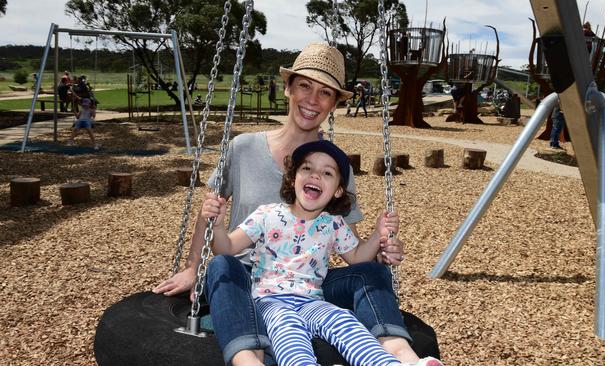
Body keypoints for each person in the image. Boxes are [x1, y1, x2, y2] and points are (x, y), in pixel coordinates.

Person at [153, 43, 423, 366]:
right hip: (244, 280)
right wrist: (193, 266)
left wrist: (382, 246)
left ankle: (398, 353)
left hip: (308, 283)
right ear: (288, 88)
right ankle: (247, 357)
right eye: (304, 86)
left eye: (325, 93)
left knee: (371, 273)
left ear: (334, 103)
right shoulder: (243, 148)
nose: (312, 100)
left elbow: (349, 245)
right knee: (221, 267)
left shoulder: (336, 169)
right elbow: (210, 212)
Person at [205, 140, 441, 366]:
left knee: (344, 322)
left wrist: (378, 235)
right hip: (271, 300)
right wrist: (217, 226)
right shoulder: (266, 215)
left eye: (327, 173)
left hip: (312, 300)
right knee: (289, 333)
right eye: (307, 168)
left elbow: (358, 258)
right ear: (293, 178)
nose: (315, 175)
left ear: (338, 191)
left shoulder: (333, 223)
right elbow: (226, 249)